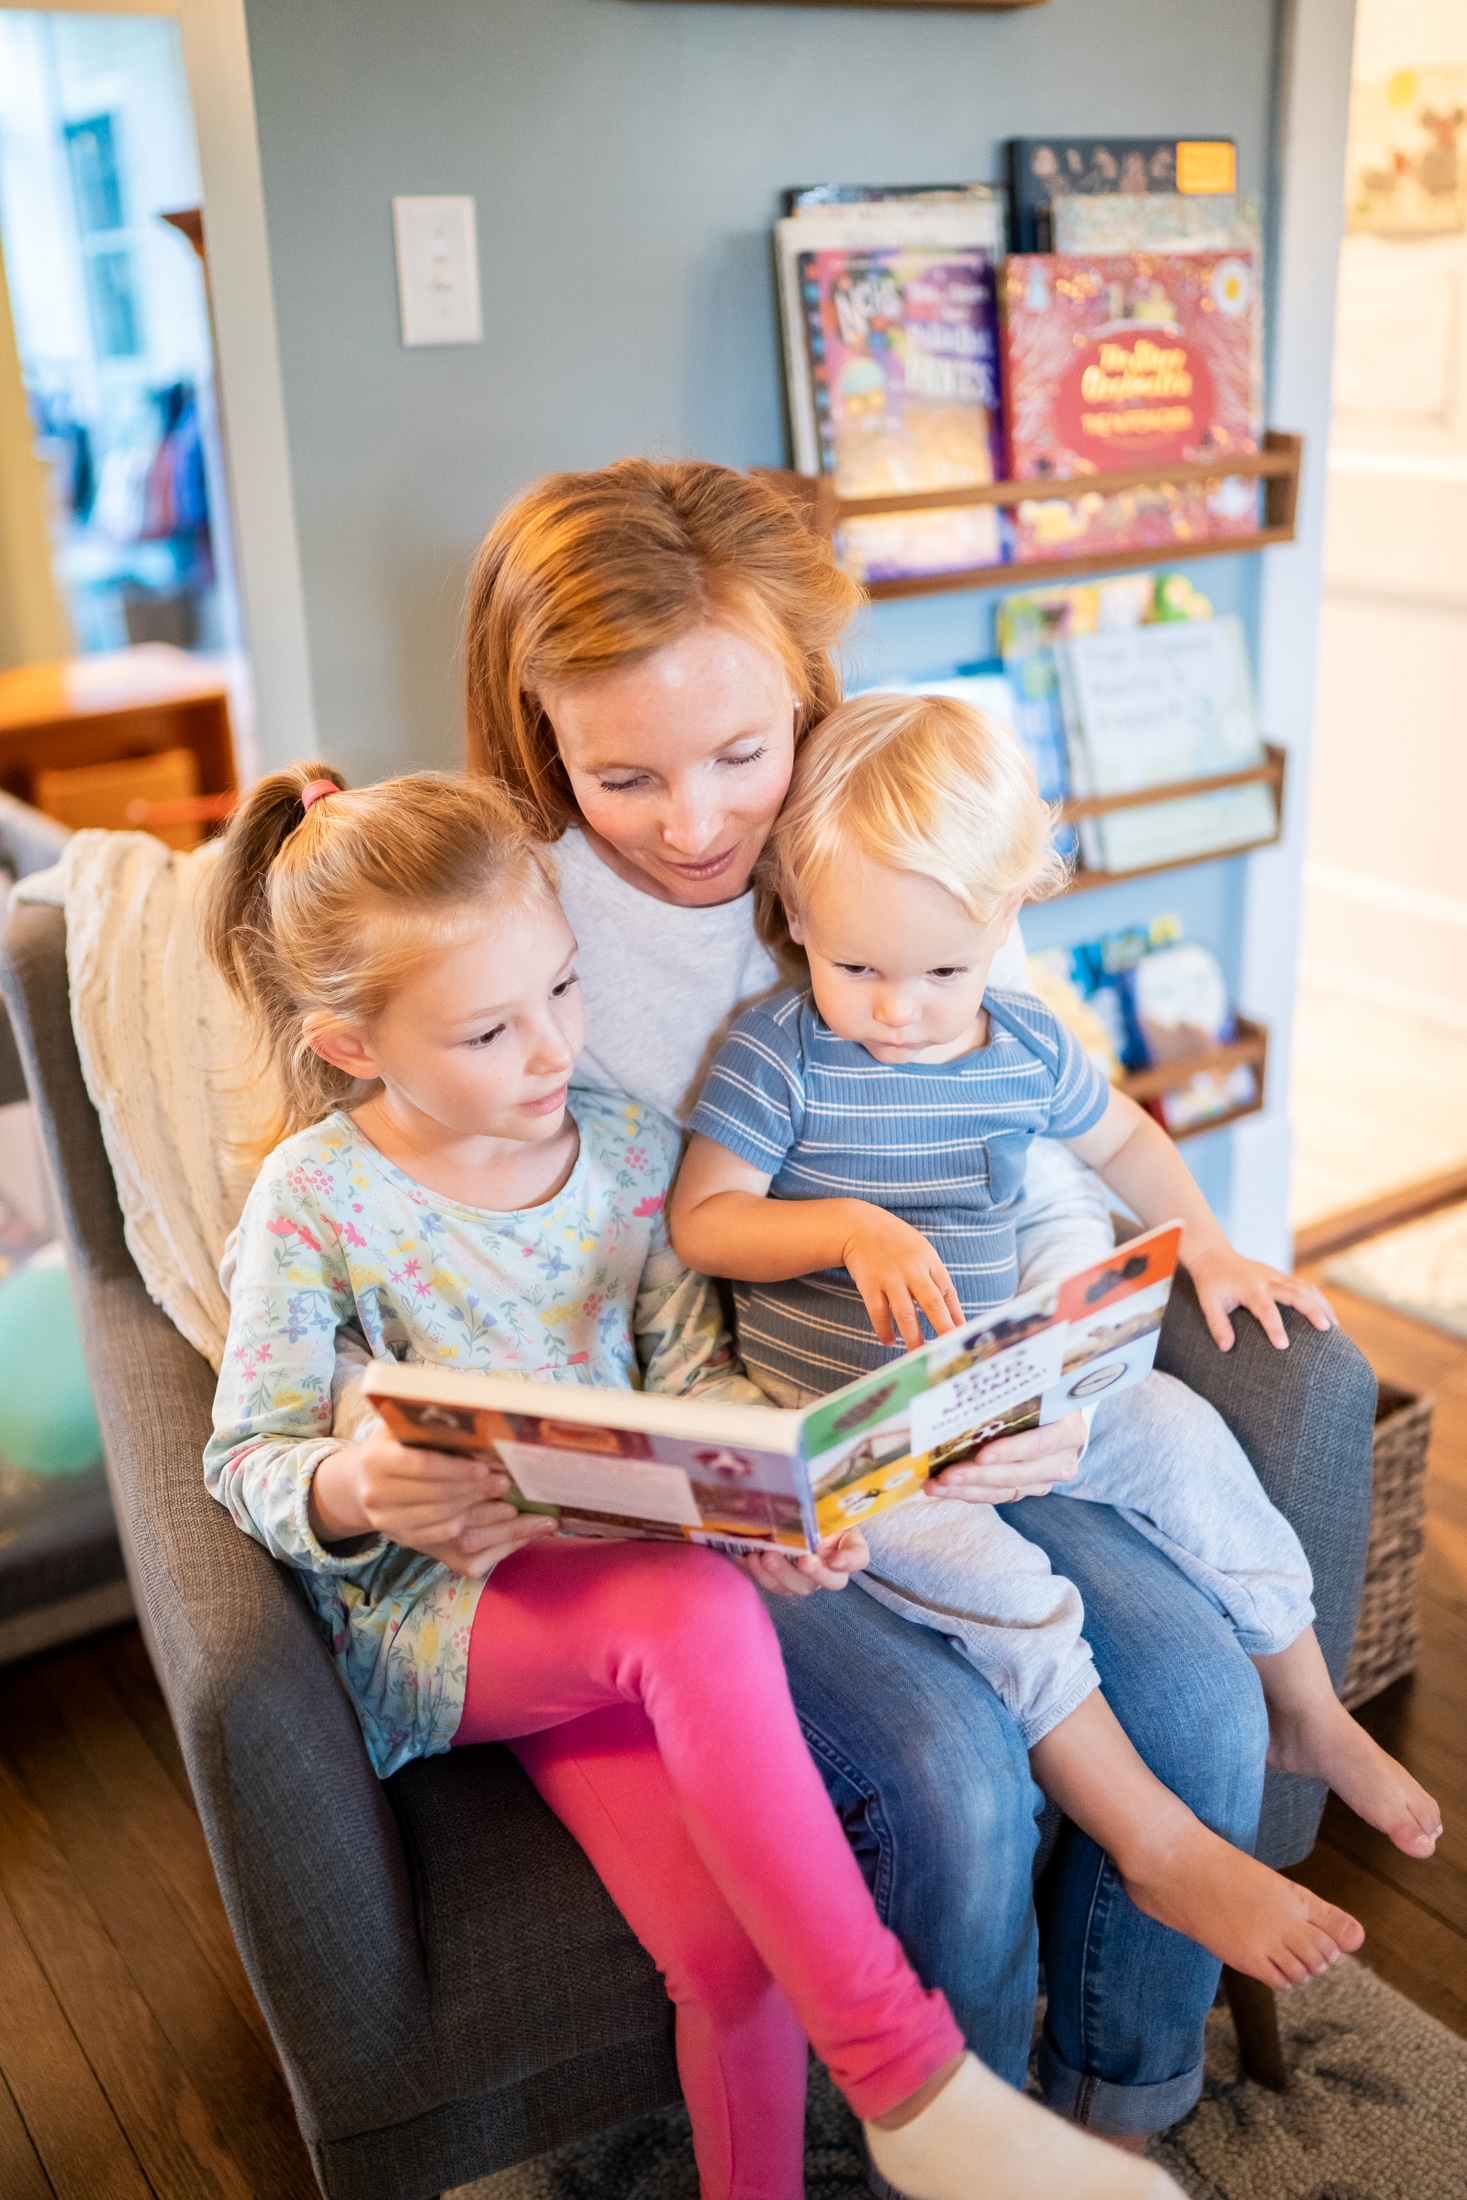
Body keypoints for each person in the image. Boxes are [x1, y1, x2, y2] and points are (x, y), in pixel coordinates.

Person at [461, 457, 1351, 2152]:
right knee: (946, 1776)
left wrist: (1049, 1373)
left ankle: (1123, 2111)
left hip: (949, 1403)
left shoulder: (890, 833)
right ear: (541, 739)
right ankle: (965, 2145)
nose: (704, 822)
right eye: (624, 774)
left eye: (744, 754)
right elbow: (543, 1240)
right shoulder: (524, 927)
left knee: (1195, 1688)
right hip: (740, 1447)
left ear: (813, 697)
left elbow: (1040, 1149)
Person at [199, 762, 1176, 2200]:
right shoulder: (317, 1199)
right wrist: (356, 1484)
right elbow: (245, 1457)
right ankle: (909, 2074)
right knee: (689, 1613)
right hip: (451, 1622)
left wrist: (769, 1515)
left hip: (638, 1595)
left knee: (730, 1950)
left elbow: (693, 1382)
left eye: (563, 990)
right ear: (352, 1046)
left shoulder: (635, 1152)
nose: (550, 1051)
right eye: (488, 1028)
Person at [669, 689, 1441, 1987]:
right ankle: (1150, 1841)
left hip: (1011, 1387)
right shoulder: (779, 1055)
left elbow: (1127, 1141)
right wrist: (846, 1228)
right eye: (858, 967)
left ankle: (1308, 1713)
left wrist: (1200, 1236)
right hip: (863, 1439)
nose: (901, 1008)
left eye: (943, 971)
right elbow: (705, 1221)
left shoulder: (1022, 1043)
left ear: (1008, 921)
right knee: (1007, 1593)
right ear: (796, 914)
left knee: (1196, 1451)